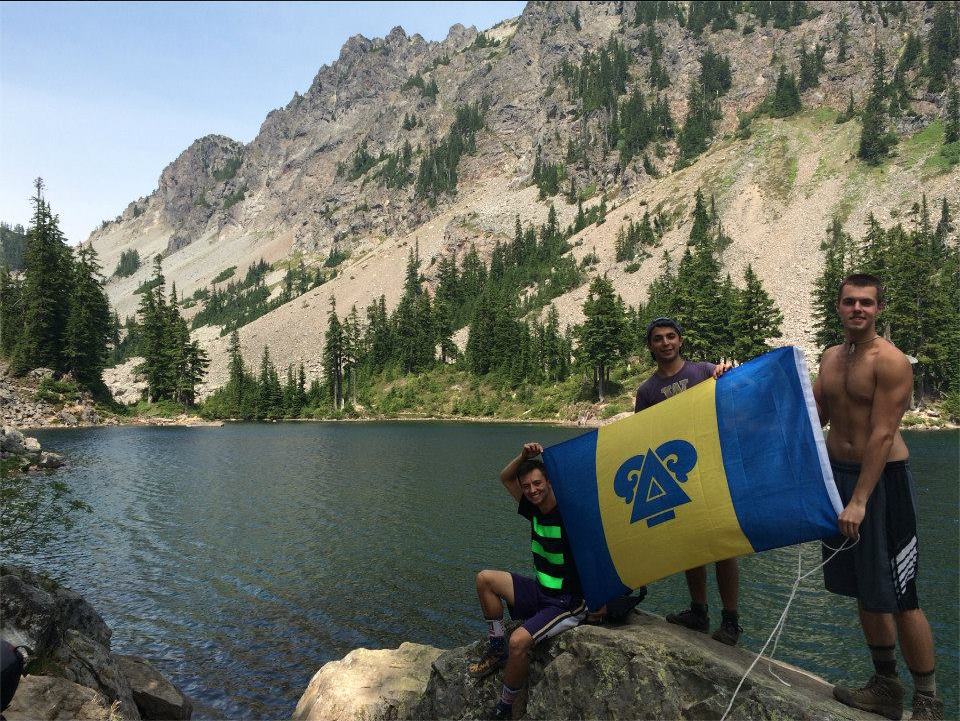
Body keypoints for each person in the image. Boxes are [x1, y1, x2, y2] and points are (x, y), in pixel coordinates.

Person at [813, 274, 943, 721]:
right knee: (865, 590)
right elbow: (814, 419)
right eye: (850, 302)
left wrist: (861, 501)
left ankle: (927, 700)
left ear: (879, 309)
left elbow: (884, 433)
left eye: (866, 303)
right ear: (838, 307)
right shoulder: (830, 358)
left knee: (903, 594)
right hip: (840, 480)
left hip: (881, 484)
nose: (858, 310)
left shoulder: (890, 361)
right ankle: (886, 687)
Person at [634, 317, 741, 645]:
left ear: (680, 341)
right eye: (658, 339)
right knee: (690, 545)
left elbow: (736, 391)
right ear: (651, 346)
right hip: (675, 477)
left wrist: (728, 373)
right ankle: (698, 612)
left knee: (724, 545)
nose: (665, 343)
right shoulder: (647, 391)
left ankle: (731, 620)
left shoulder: (706, 371)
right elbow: (641, 437)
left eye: (670, 337)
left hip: (712, 467)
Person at [469, 442, 587, 720]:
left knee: (519, 642)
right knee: (485, 579)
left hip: (566, 602)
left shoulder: (572, 514)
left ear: (549, 481)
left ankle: (505, 708)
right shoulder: (533, 508)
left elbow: (597, 556)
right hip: (540, 590)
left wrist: (600, 600)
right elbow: (505, 478)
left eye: (538, 483)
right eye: (527, 486)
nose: (533, 490)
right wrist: (524, 456)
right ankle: (497, 651)